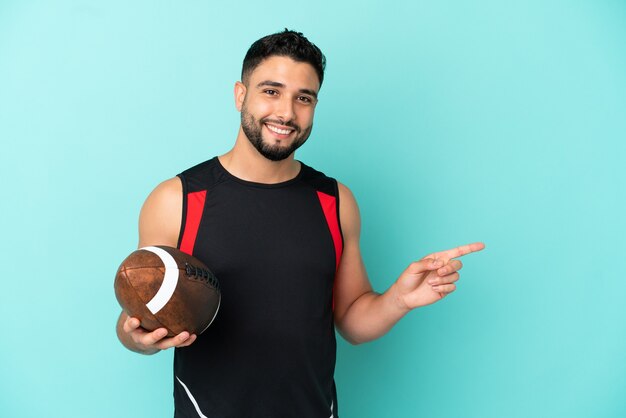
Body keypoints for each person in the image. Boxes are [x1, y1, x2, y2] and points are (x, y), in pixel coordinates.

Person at [116, 29, 484, 418]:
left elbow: (353, 321)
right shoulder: (177, 201)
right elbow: (139, 315)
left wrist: (400, 299)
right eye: (271, 91)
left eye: (303, 98)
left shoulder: (336, 201)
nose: (287, 113)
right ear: (241, 94)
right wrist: (138, 338)